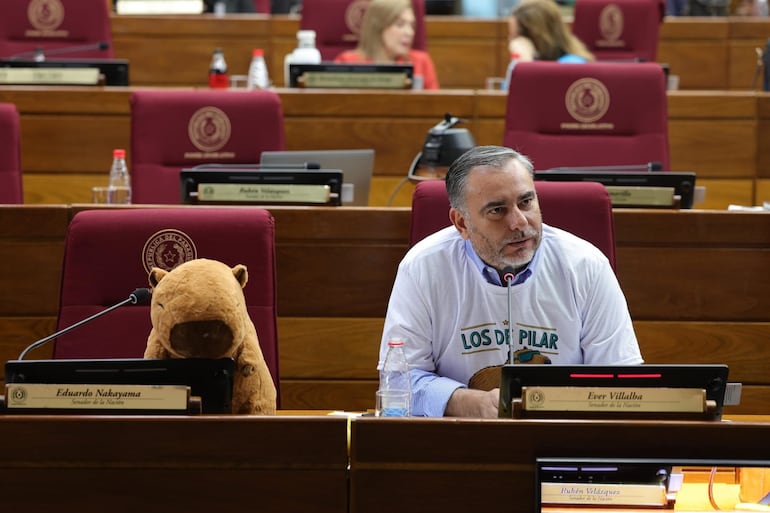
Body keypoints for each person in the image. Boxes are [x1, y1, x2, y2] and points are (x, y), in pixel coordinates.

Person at [378, 145, 643, 418]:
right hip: (460, 440)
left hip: (564, 437)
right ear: (462, 223)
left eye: (526, 202)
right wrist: (472, 404)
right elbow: (398, 383)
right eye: (497, 210)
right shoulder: (423, 267)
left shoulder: (586, 265)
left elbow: (622, 381)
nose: (518, 222)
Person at [334, 0, 440, 90]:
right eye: (400, 24)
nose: (409, 32)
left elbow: (435, 107)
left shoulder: (421, 62)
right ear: (378, 27)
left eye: (412, 25)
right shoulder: (347, 62)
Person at [508, 0, 595, 63]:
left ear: (535, 33)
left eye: (515, 36)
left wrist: (524, 64)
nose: (512, 41)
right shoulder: (530, 58)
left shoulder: (572, 63)